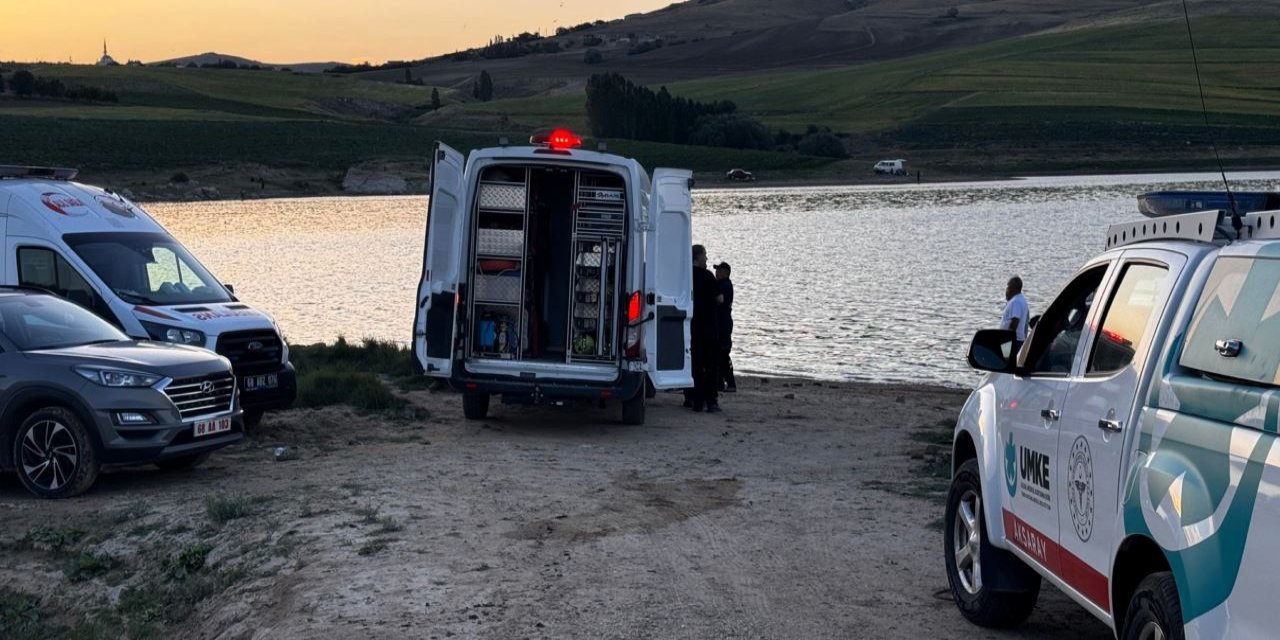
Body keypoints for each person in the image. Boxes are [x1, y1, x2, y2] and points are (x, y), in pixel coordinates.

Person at [685, 245, 722, 413]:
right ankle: (711, 401)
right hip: (708, 326)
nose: (706, 259)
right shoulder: (708, 276)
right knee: (711, 364)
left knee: (695, 364)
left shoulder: (685, 276)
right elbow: (720, 298)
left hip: (692, 327)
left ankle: (695, 400)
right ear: (697, 257)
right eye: (704, 255)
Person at [714, 261, 736, 393]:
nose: (716, 272)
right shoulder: (721, 285)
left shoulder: (726, 285)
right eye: (717, 270)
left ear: (725, 273)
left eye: (719, 270)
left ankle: (731, 383)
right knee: (719, 354)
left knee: (723, 354)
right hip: (720, 322)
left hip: (723, 324)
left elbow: (720, 300)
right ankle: (720, 383)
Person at [1001, 276, 1030, 353]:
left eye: (1008, 287)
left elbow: (1015, 321)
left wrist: (1008, 340)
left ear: (1012, 288)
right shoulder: (1020, 299)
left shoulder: (1016, 301)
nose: (1006, 290)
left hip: (1014, 341)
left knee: (1008, 362)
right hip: (1015, 340)